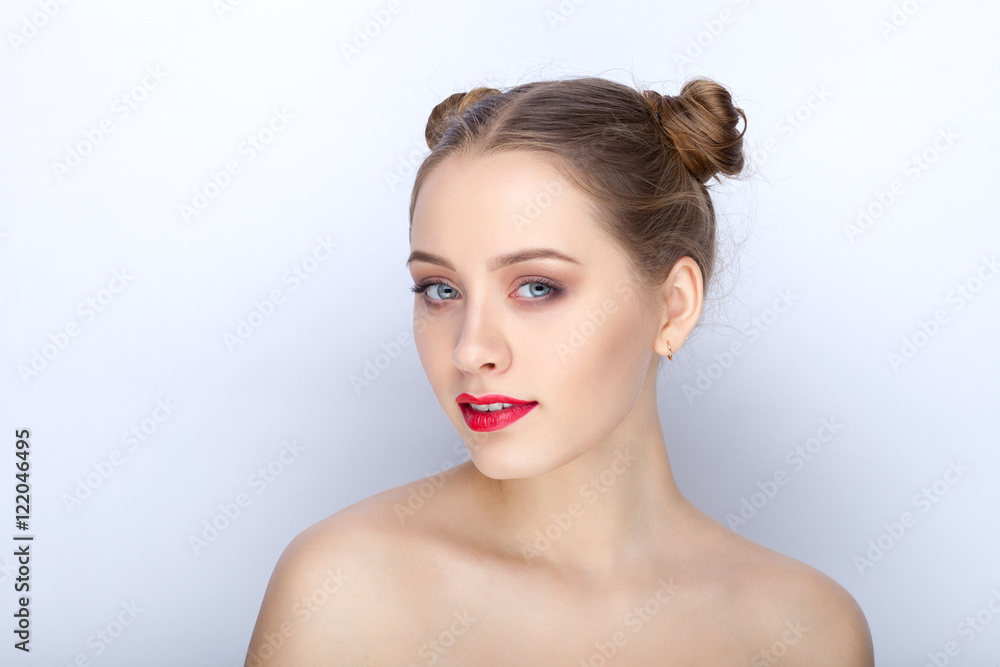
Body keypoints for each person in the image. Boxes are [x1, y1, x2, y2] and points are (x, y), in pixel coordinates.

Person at [245, 73, 875, 665]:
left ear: (674, 306)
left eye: (537, 287)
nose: (470, 350)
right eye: (440, 290)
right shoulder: (344, 585)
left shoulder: (808, 630)